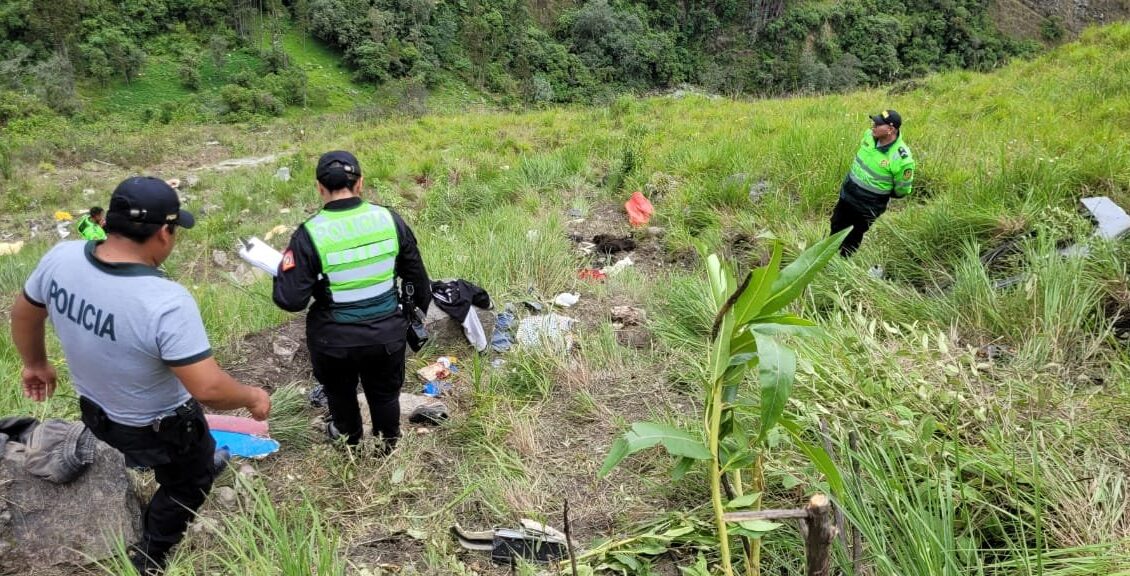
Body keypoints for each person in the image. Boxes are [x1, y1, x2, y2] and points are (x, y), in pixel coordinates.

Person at [10, 176, 271, 575]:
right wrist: (253, 397)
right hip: (157, 427)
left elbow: (25, 311)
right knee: (191, 477)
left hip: (96, 412)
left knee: (156, 450)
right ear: (164, 234)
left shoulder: (61, 258)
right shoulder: (164, 301)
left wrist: (36, 364)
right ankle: (152, 553)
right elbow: (208, 389)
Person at [273, 151, 430, 453]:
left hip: (333, 340)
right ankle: (388, 444)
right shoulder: (389, 220)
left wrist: (284, 268)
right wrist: (410, 318)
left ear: (319, 187)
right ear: (360, 183)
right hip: (386, 335)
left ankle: (349, 441)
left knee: (340, 392)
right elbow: (419, 282)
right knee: (385, 394)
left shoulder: (308, 234)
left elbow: (290, 300)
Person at [830, 109, 916, 256]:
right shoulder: (869, 136)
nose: (873, 126)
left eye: (878, 124)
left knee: (853, 235)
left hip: (867, 205)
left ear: (890, 129)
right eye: (874, 122)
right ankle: (826, 258)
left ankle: (843, 264)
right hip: (847, 194)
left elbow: (902, 190)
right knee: (836, 225)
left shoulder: (902, 159)